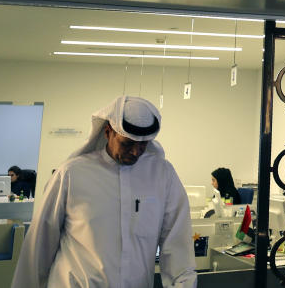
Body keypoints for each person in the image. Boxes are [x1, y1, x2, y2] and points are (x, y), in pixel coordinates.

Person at [11, 96, 196, 288]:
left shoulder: (162, 175)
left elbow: (178, 244)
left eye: (143, 144)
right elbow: (39, 244)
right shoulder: (72, 174)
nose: (135, 152)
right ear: (108, 132)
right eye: (127, 144)